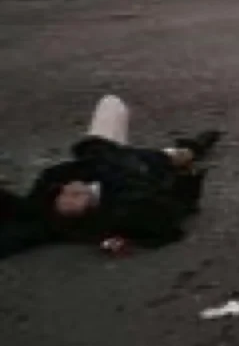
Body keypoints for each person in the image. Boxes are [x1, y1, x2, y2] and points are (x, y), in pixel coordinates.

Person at [0, 95, 222, 258]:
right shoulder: (120, 210)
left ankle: (189, 151)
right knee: (160, 156)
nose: (69, 195)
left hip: (114, 162)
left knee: (114, 112)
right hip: (136, 169)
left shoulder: (49, 192)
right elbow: (163, 220)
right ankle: (189, 151)